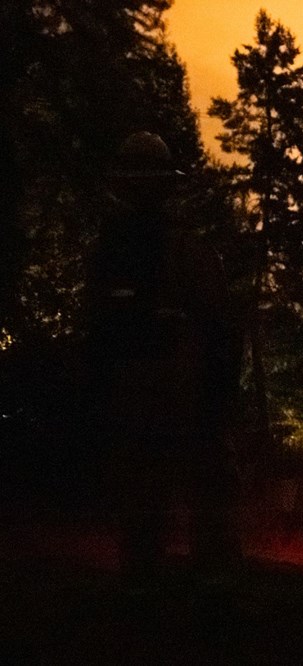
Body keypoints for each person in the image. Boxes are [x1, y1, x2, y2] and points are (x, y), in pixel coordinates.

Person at [86, 131, 242, 591]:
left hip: (129, 390)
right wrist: (220, 394)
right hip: (180, 385)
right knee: (212, 483)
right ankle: (215, 584)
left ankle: (142, 581)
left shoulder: (106, 251)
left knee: (141, 489)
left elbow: (94, 326)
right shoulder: (186, 248)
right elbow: (218, 322)